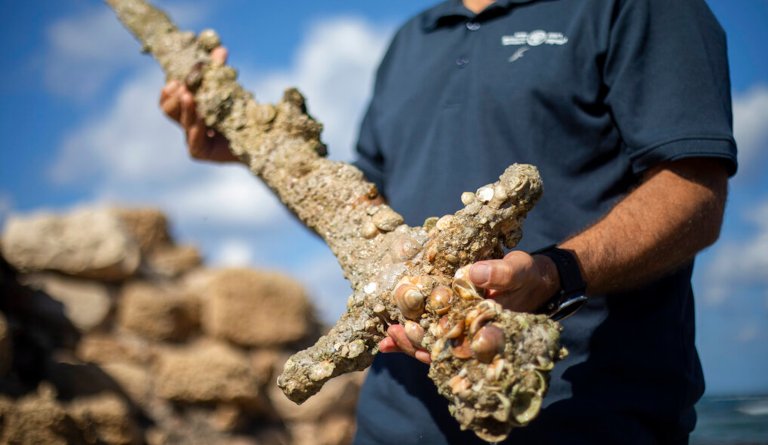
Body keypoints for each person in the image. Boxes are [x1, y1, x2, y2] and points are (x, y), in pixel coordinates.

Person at [160, 0, 737, 443]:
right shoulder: (412, 39)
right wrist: (252, 156)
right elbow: (356, 223)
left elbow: (694, 193)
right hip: (394, 421)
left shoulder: (635, 7)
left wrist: (555, 273)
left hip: (588, 412)